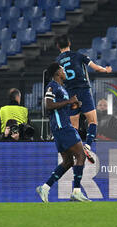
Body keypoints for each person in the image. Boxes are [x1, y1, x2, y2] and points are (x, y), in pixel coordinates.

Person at [36, 62, 91, 203]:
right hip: (62, 127)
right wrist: (68, 102)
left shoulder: (62, 88)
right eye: (62, 69)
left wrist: (74, 105)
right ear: (57, 73)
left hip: (61, 127)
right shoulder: (52, 86)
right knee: (81, 156)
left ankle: (45, 187)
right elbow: (48, 105)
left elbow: (61, 107)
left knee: (67, 162)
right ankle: (76, 192)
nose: (64, 71)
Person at [55, 34, 112, 163]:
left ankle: (77, 149)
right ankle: (87, 145)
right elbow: (96, 68)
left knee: (74, 126)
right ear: (69, 43)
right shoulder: (78, 56)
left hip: (70, 94)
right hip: (83, 90)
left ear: (58, 47)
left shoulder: (57, 62)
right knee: (92, 121)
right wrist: (106, 70)